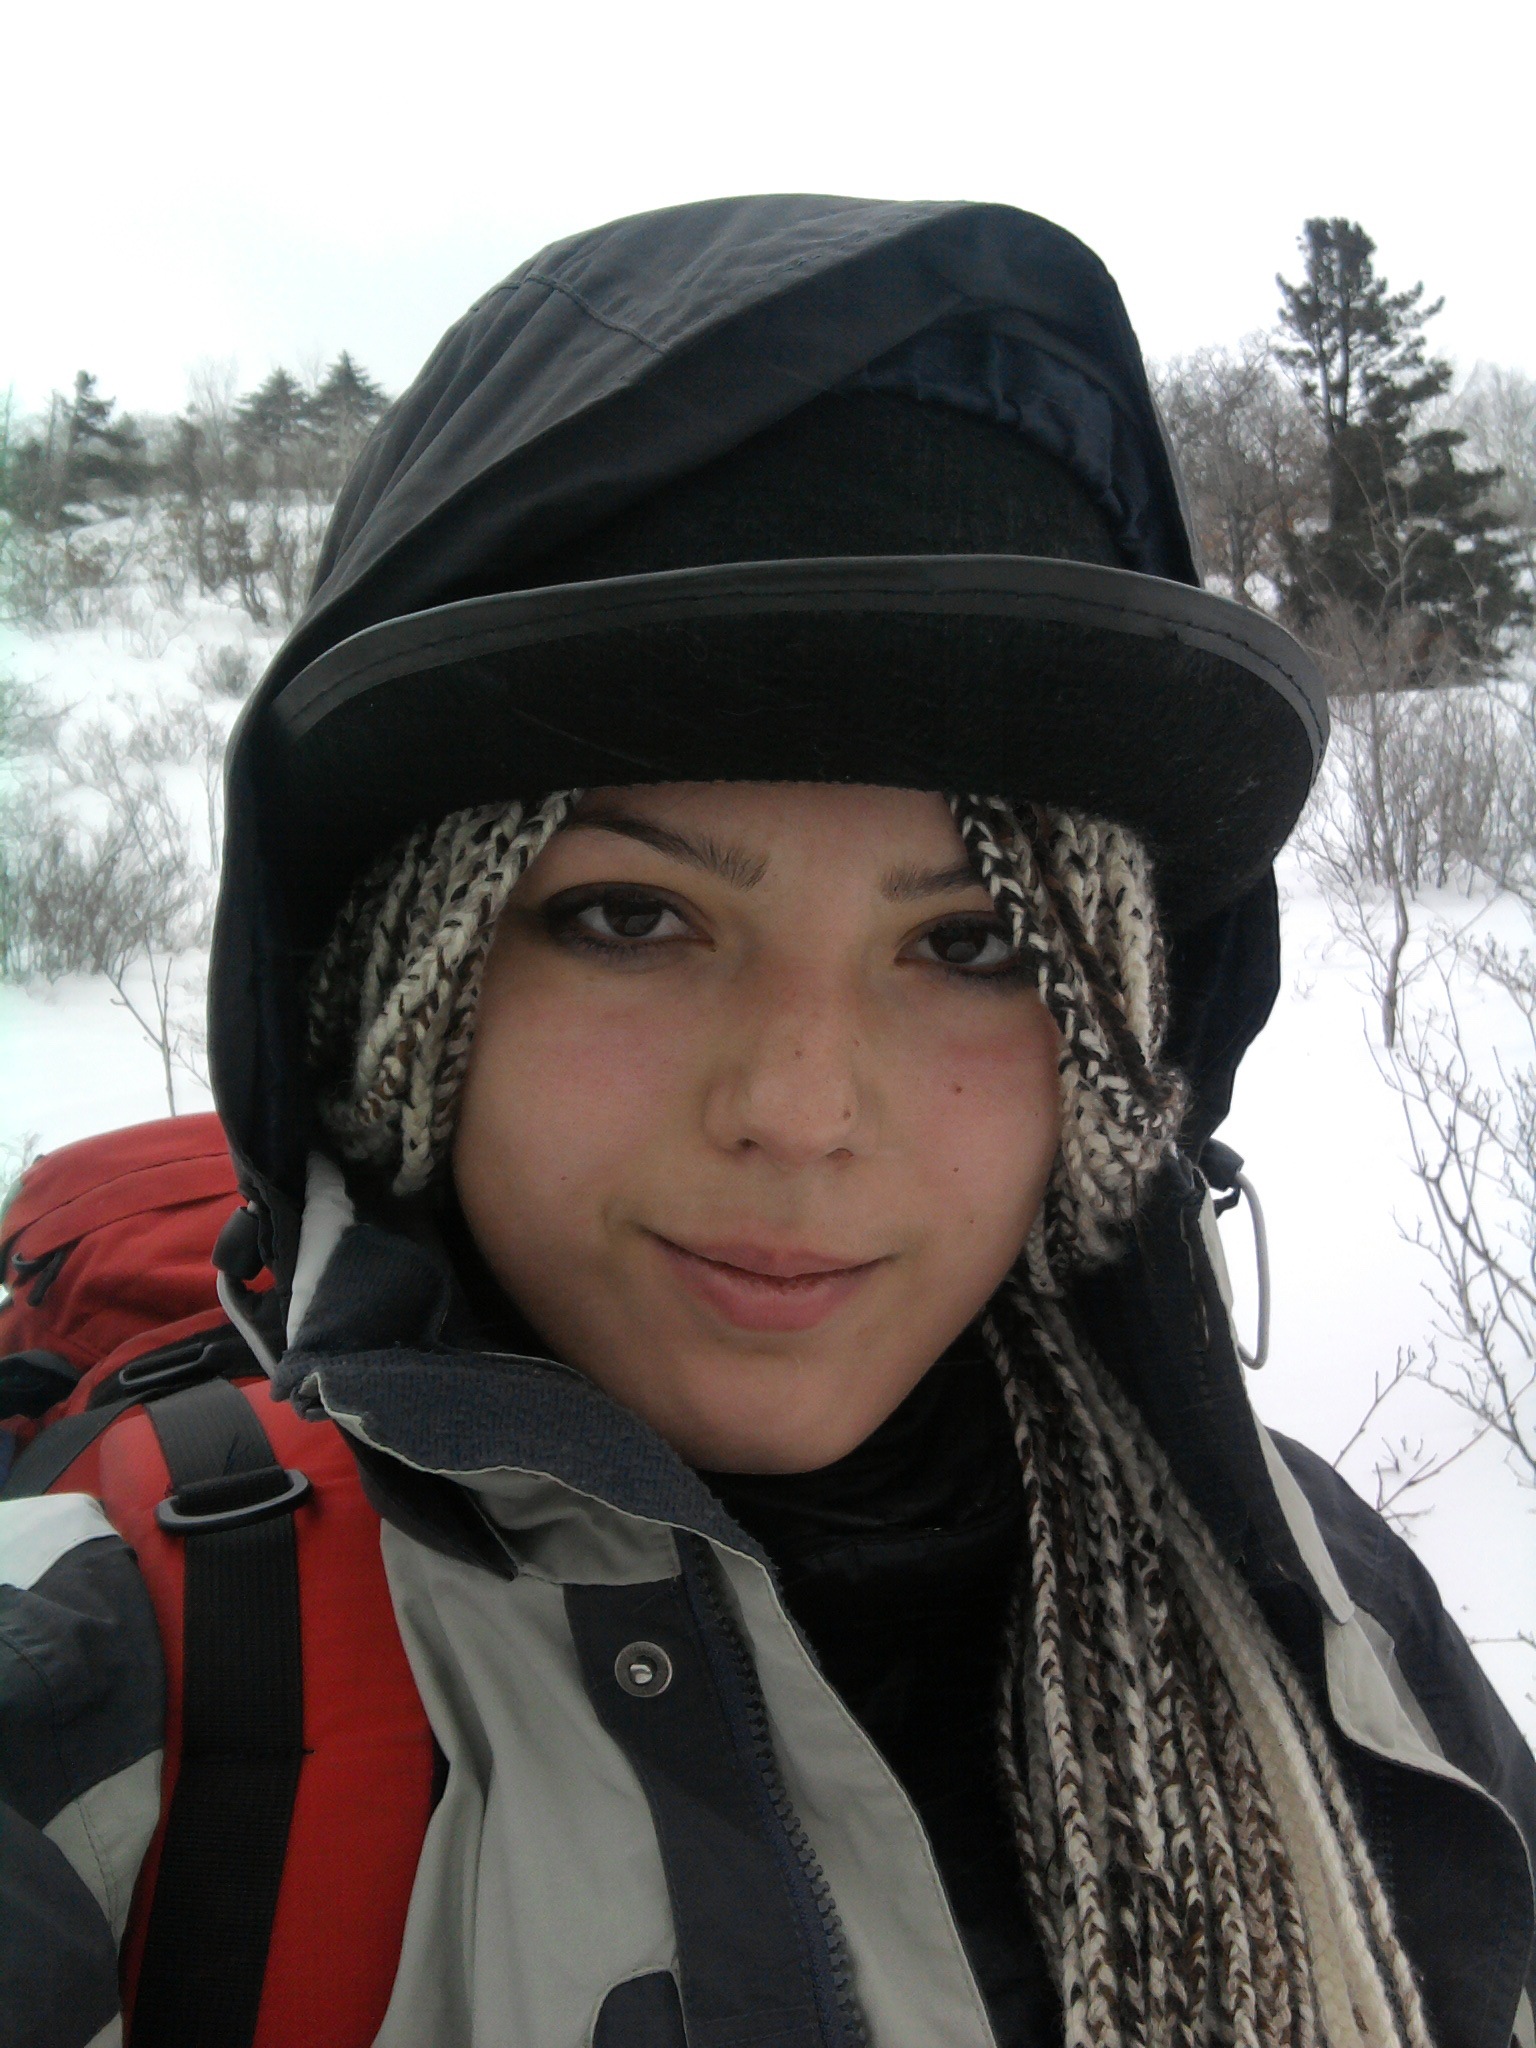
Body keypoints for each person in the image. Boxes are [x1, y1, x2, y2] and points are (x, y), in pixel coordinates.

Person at [3, 197, 1533, 2048]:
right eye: (628, 918)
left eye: (970, 943)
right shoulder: (121, 1673)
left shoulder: (1321, 1610)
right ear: (413, 999)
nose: (800, 1113)